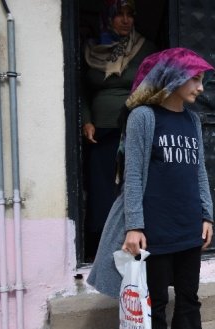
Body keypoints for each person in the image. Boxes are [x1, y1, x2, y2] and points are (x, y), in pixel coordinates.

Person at [87, 47, 215, 329]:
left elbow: (199, 171)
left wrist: (207, 215)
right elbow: (132, 174)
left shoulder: (192, 121)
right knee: (155, 301)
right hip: (155, 228)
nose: (200, 88)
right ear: (174, 78)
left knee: (189, 299)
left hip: (188, 225)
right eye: (196, 79)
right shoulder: (143, 117)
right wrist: (134, 226)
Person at [81, 0, 157, 261]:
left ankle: (136, 245)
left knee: (132, 186)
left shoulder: (145, 48)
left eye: (130, 14)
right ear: (107, 18)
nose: (125, 20)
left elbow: (153, 86)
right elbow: (81, 90)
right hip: (100, 133)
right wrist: (86, 119)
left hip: (132, 129)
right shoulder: (92, 49)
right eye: (119, 15)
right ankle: (102, 251)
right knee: (102, 191)